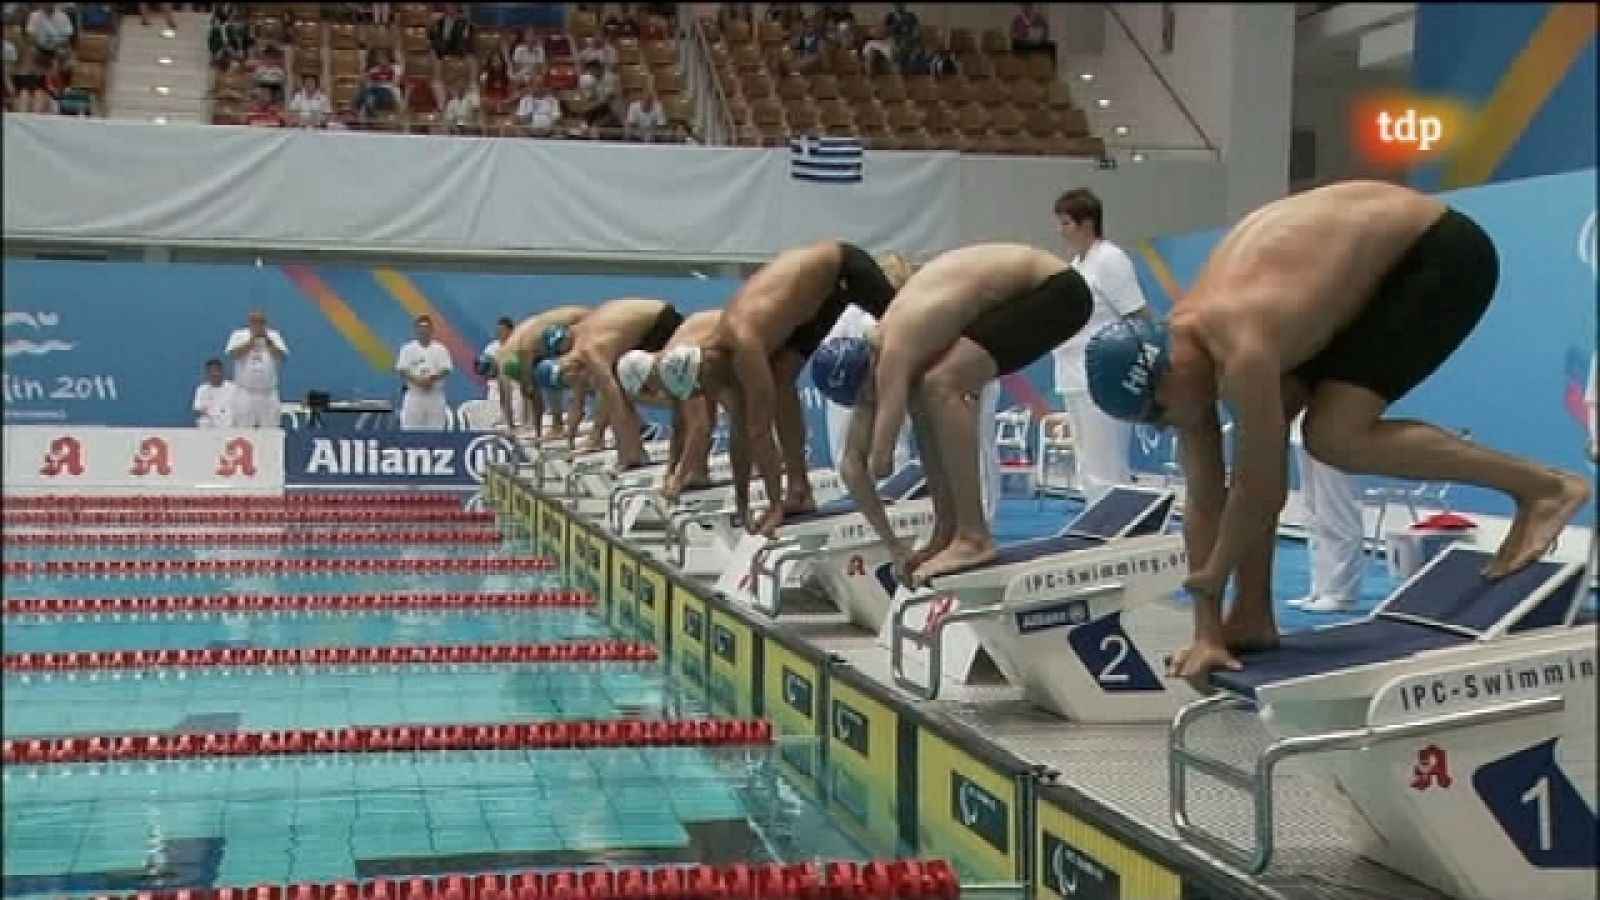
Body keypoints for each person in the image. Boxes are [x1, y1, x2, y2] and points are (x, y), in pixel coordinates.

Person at [1082, 179, 1591, 689]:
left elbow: (1259, 489)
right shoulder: (1180, 355)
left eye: (1160, 413)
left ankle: (1543, 487)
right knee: (1277, 419)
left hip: (1434, 253)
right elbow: (1204, 497)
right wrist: (1207, 631)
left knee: (1334, 436)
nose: (1169, 425)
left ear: (1169, 373)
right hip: (1352, 276)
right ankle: (1253, 618)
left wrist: (1213, 576)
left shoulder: (1243, 345)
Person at [822, 243, 1093, 584]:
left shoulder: (895, 349)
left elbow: (880, 463)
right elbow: (852, 464)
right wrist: (894, 547)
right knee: (926, 395)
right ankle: (948, 530)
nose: (871, 402)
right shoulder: (886, 346)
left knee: (941, 384)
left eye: (867, 398)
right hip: (1031, 291)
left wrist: (869, 421)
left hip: (1058, 291)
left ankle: (973, 537)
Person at [653, 242, 914, 536]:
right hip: (822, 294)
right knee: (781, 378)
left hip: (844, 268)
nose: (711, 394)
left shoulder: (743, 342)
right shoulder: (721, 363)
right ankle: (799, 489)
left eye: (704, 387)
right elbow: (741, 435)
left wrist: (774, 504)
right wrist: (743, 504)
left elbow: (760, 431)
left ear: (705, 366)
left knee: (914, 348)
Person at [1051, 188, 1151, 501]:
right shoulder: (1078, 264)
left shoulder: (1110, 259)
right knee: (1088, 466)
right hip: (1074, 374)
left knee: (1106, 464)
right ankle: (1099, 525)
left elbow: (1139, 314)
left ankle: (1120, 537)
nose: (1060, 230)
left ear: (1087, 224)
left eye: (1066, 223)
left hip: (1104, 377)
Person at [539, 297, 685, 469]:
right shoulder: (580, 336)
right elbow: (578, 400)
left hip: (663, 324)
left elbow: (613, 400)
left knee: (622, 391)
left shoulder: (590, 350)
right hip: (654, 321)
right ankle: (630, 444)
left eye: (567, 383)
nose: (575, 384)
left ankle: (634, 452)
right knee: (618, 385)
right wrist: (570, 440)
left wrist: (624, 453)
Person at [618, 309, 723, 502]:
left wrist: (677, 479)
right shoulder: (668, 365)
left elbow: (701, 427)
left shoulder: (676, 366)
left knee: (740, 410)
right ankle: (698, 472)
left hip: (742, 334)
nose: (654, 396)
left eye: (647, 390)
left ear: (648, 377)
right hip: (719, 338)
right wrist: (671, 470)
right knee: (710, 406)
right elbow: (680, 424)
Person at [1289, 413, 1368, 613]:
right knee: (1313, 511)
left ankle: (1341, 592)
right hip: (1303, 427)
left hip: (1336, 428)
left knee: (1337, 509)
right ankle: (1321, 587)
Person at [495, 306, 589, 434]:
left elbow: (528, 392)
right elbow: (526, 393)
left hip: (582, 321)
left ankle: (564, 426)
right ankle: (558, 424)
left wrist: (533, 431)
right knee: (560, 378)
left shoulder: (524, 349)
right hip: (576, 320)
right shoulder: (522, 347)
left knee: (578, 378)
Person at [224, 309, 288, 428]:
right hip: (245, 392)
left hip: (268, 393)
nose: (258, 324)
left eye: (261, 321)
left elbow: (282, 357)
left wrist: (268, 341)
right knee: (243, 428)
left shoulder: (274, 335)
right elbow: (233, 354)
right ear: (249, 322)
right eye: (255, 321)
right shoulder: (238, 335)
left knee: (271, 430)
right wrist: (251, 341)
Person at [395, 315, 454, 431]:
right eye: (420, 328)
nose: (423, 331)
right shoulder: (407, 349)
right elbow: (402, 369)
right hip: (414, 395)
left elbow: (446, 369)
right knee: (410, 429)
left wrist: (431, 379)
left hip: (435, 395)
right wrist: (417, 380)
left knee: (436, 429)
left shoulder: (440, 349)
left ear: (431, 330)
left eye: (426, 328)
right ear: (415, 330)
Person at [478, 317, 522, 428]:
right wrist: (494, 368)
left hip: (516, 390)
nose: (499, 333)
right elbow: (485, 371)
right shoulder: (490, 348)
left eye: (502, 330)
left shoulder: (519, 346)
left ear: (511, 331)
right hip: (495, 391)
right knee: (495, 423)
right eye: (498, 331)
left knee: (517, 422)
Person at [192, 358, 237, 428]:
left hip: (229, 419)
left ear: (222, 371)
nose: (214, 374)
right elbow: (198, 408)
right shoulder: (201, 389)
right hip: (211, 421)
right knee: (203, 421)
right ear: (207, 373)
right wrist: (211, 416)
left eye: (217, 371)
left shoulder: (233, 388)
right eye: (211, 371)